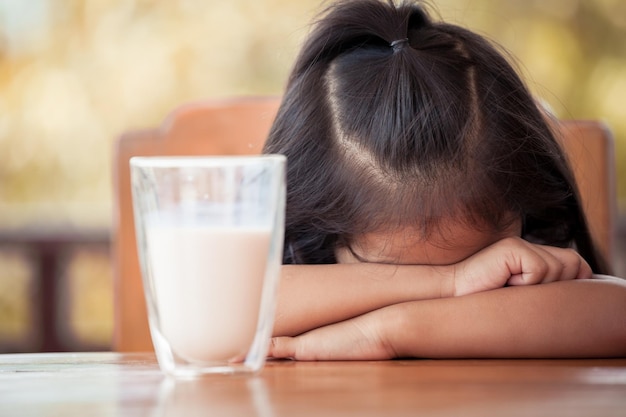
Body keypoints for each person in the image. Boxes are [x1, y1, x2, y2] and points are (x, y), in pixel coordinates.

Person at [262, 0, 626, 360]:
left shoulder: (535, 253)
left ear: (524, 205)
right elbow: (224, 302)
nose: (473, 281)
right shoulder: (299, 251)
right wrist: (450, 282)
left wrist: (386, 332)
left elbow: (617, 312)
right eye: (392, 273)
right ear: (321, 229)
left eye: (483, 263)